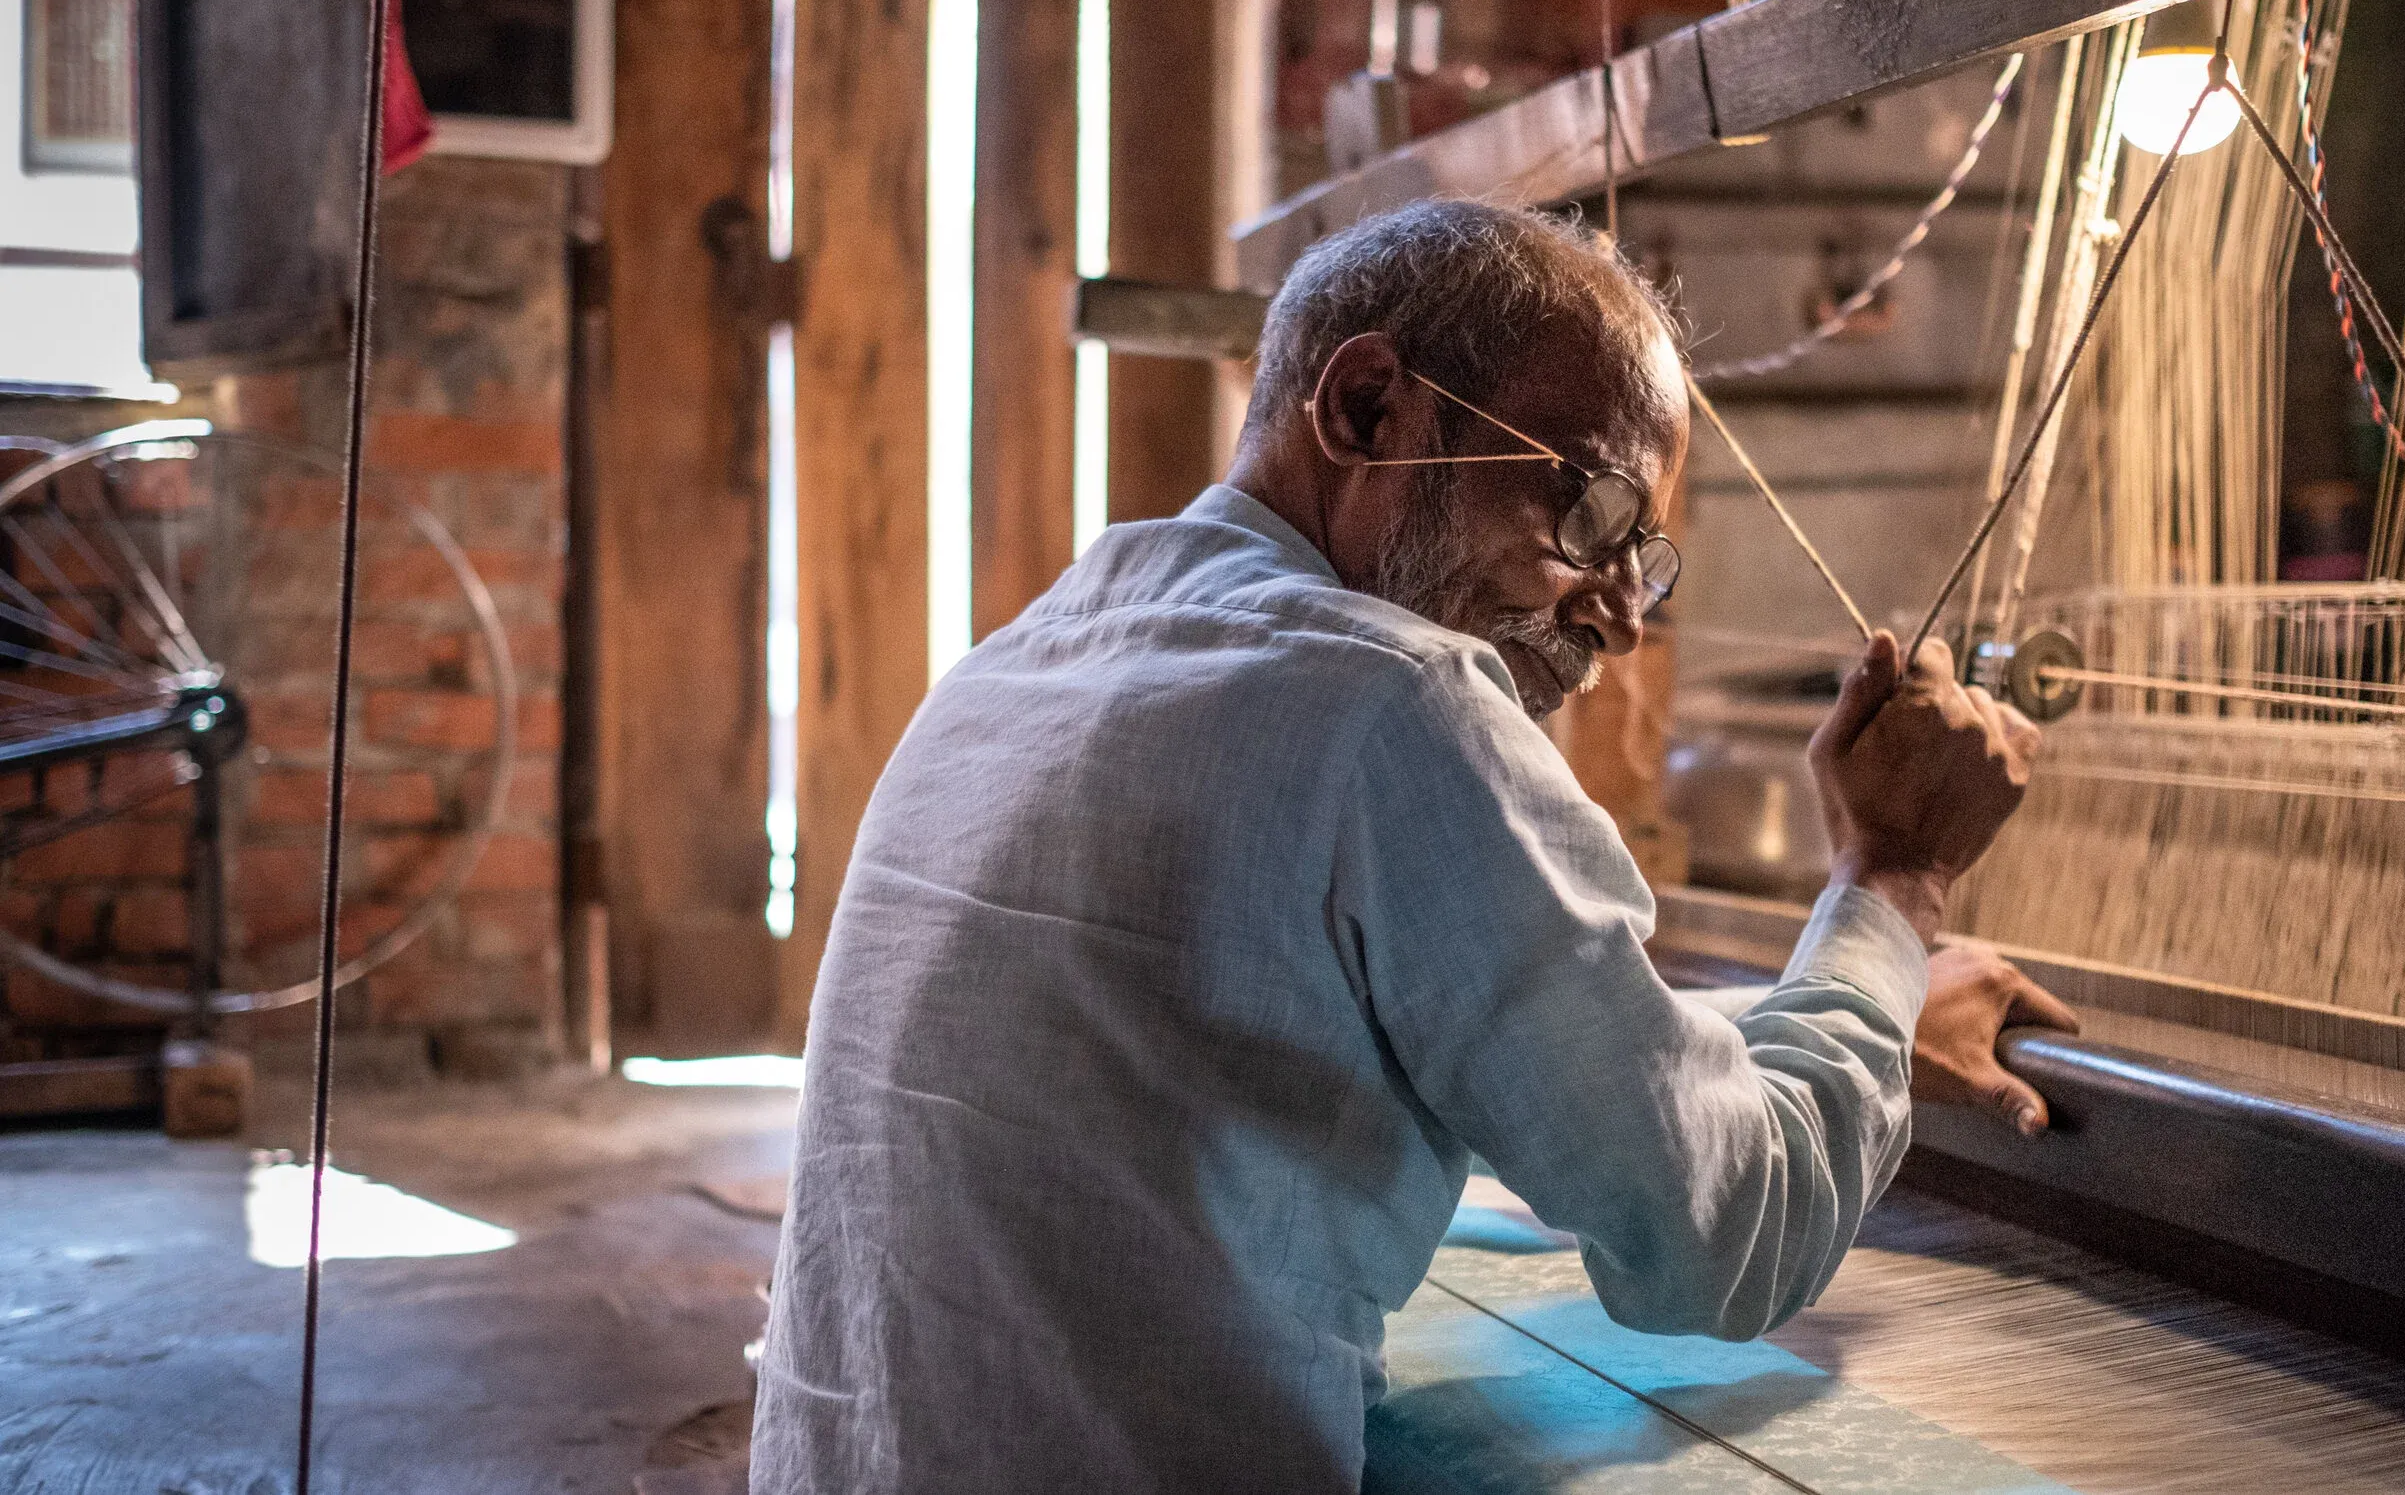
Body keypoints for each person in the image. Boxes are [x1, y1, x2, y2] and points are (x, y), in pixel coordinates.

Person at [751, 199, 2075, 1494]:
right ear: (1370, 408)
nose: (1617, 619)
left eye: (1646, 559)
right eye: (1595, 514)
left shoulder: (1008, 668)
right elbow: (1721, 1234)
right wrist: (1891, 882)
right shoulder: (1393, 702)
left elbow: (1405, 1025)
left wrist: (1846, 1013)